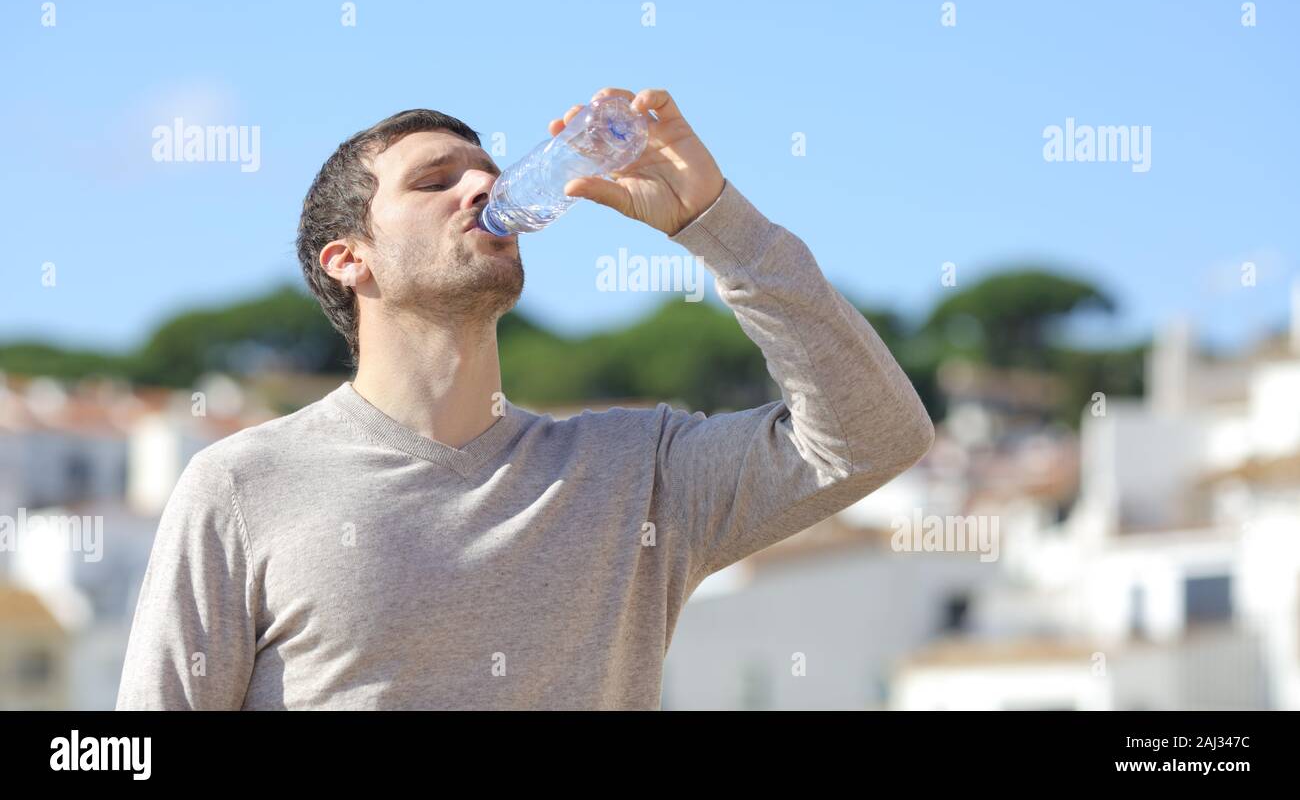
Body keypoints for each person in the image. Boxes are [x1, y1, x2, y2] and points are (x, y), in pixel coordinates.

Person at [115, 86, 934, 709]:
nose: (480, 187)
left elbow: (875, 436)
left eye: (489, 174)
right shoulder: (243, 484)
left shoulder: (637, 475)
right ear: (348, 260)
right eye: (435, 181)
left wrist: (715, 223)